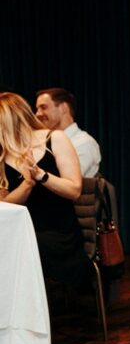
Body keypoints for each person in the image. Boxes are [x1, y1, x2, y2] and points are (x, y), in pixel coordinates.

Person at [0, 92, 88, 288]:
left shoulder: (54, 139)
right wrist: (27, 184)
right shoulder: (2, 153)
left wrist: (41, 175)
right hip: (20, 232)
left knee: (17, 249)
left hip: (56, 234)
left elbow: (74, 190)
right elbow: (4, 205)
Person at [35, 88, 102, 177]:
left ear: (63, 108)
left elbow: (70, 181)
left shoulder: (85, 143)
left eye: (43, 107)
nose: (38, 114)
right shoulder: (42, 142)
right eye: (37, 109)